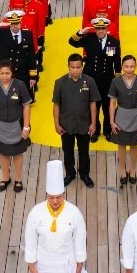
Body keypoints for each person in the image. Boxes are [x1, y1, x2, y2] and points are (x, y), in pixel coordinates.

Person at [67, 18, 121, 142]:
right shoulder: (88, 38)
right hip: (91, 78)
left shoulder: (114, 42)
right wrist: (81, 32)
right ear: (95, 29)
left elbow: (117, 61)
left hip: (107, 79)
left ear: (107, 28)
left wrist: (117, 78)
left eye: (103, 28)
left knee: (108, 107)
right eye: (98, 28)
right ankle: (94, 130)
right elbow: (72, 42)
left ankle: (108, 131)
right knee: (93, 106)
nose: (101, 31)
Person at [0, 60, 32, 193]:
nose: (4, 75)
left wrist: (26, 127)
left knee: (17, 153)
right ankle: (5, 178)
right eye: (1, 73)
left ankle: (18, 179)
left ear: (12, 73)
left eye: (7, 73)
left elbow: (26, 106)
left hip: (17, 126)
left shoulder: (20, 85)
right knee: (3, 153)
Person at [52, 53, 101, 188]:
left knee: (84, 151)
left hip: (84, 125)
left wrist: (93, 123)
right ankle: (70, 173)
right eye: (72, 67)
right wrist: (56, 124)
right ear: (68, 67)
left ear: (82, 67)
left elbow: (93, 103)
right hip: (66, 125)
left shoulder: (90, 81)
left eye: (78, 67)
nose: (75, 70)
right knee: (67, 150)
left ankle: (84, 174)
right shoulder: (59, 83)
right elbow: (56, 104)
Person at [107, 54, 137, 186]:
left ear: (136, 66)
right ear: (122, 67)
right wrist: (112, 122)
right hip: (121, 118)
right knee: (122, 145)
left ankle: (132, 170)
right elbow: (112, 103)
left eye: (132, 66)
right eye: (126, 66)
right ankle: (122, 171)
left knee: (134, 145)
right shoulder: (115, 81)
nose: (129, 69)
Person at [0, 10, 40, 97]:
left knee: (25, 100)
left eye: (17, 23)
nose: (15, 26)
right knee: (6, 98)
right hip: (6, 73)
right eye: (13, 24)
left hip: (23, 73)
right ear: (9, 24)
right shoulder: (1, 34)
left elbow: (31, 56)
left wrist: (33, 76)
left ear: (20, 23)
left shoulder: (27, 34)